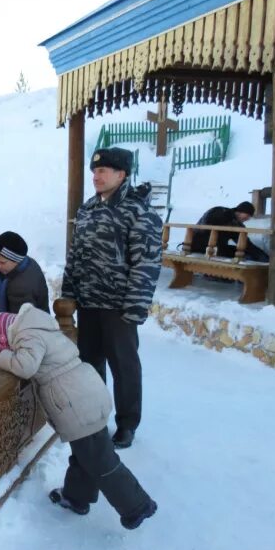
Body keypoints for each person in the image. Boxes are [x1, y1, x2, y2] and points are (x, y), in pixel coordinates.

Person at [0, 306, 157, 530]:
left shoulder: (28, 335)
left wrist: (2, 358)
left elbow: (25, 365)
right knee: (85, 454)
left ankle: (137, 506)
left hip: (76, 402)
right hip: (83, 393)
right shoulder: (41, 327)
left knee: (101, 461)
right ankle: (76, 497)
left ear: (5, 335)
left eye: (5, 345)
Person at [62, 147, 162, 449]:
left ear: (122, 174)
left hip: (119, 307)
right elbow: (76, 255)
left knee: (124, 367)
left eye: (103, 171)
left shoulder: (139, 211)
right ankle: (94, 418)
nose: (96, 176)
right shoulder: (88, 209)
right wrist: (69, 293)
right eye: (95, 171)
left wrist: (135, 307)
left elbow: (146, 263)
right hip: (90, 302)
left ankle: (127, 424)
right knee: (90, 365)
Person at [189, 201, 269, 262]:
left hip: (218, 248)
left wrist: (264, 257)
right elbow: (205, 224)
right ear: (240, 211)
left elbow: (247, 245)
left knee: (245, 253)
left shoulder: (237, 225)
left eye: (249, 217)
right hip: (200, 246)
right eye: (247, 215)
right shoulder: (220, 212)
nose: (247, 219)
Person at [0, 231, 50, 314]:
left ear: (16, 260)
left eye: (2, 262)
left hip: (30, 324)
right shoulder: (22, 264)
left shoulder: (21, 287)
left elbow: (19, 322)